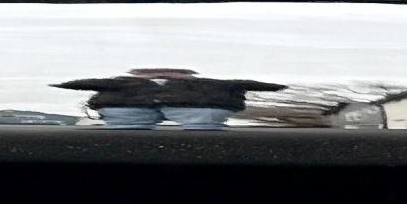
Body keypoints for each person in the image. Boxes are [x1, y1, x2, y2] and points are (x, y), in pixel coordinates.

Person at [56, 65, 286, 130]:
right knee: (204, 126)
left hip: (122, 111)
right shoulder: (210, 85)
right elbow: (243, 83)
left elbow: (87, 83)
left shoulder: (122, 84)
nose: (163, 74)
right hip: (210, 109)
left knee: (127, 127)